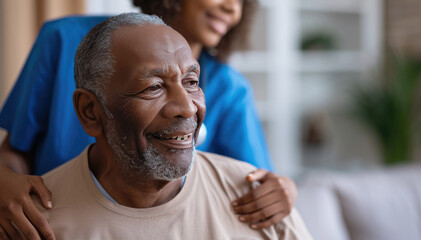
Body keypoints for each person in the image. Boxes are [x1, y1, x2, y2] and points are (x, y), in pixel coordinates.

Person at [0, 0, 297, 239]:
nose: (233, 8)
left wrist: (284, 192)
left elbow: (255, 183)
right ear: (89, 110)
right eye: (153, 87)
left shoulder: (230, 89)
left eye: (192, 81)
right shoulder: (64, 40)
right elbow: (16, 148)